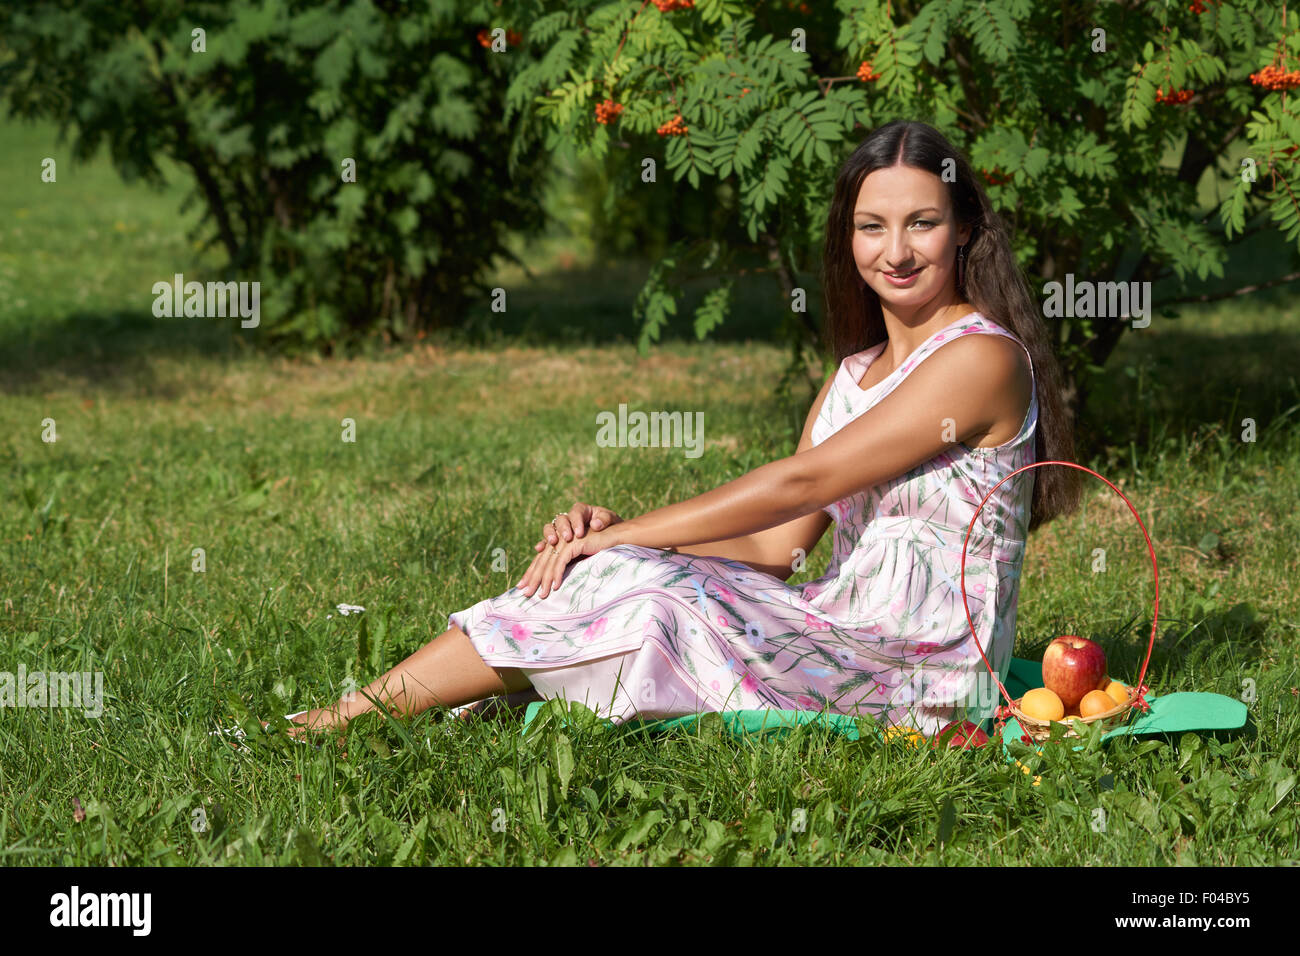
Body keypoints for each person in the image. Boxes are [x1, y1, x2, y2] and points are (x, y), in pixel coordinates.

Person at [286, 119, 1082, 741]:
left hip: (922, 672)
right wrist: (626, 544)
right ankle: (360, 713)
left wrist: (629, 534)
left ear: (966, 228)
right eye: (873, 226)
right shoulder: (853, 374)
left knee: (645, 600)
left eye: (923, 224)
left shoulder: (981, 359)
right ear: (848, 236)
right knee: (622, 574)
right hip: (841, 627)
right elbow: (782, 546)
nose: (897, 251)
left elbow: (802, 483)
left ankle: (360, 722)